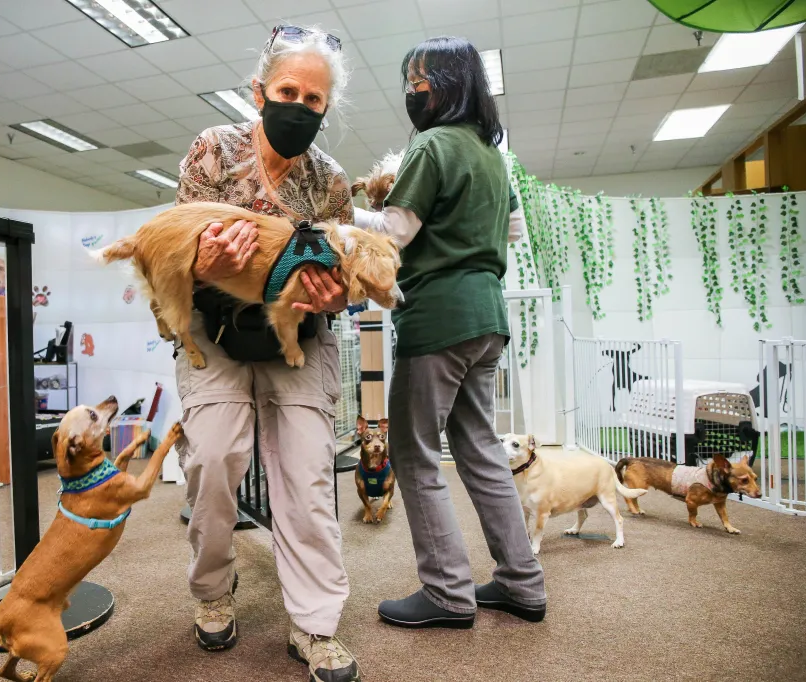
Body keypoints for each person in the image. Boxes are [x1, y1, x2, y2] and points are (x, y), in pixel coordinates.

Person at [173, 24, 361, 682]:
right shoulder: (213, 153)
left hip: (298, 342)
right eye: (288, 91)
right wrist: (205, 262)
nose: (299, 107)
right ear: (259, 91)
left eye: (314, 100)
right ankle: (212, 590)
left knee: (309, 480)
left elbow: (347, 283)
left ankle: (314, 625)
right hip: (217, 335)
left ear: (325, 108)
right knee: (217, 460)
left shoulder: (331, 182)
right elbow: (177, 255)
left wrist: (332, 298)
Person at [354, 36, 547, 628]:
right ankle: (522, 583)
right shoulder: (493, 153)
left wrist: (339, 212)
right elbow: (512, 232)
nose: (412, 92)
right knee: (481, 450)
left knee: (412, 454)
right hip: (487, 318)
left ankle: (446, 593)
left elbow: (396, 232)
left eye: (419, 81)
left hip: (437, 318)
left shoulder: (431, 145)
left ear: (447, 83)